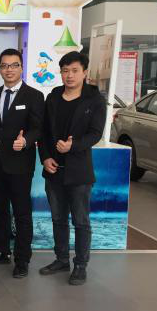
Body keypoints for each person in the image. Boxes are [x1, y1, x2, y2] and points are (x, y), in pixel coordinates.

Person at [38, 51, 106, 286]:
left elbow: (95, 133)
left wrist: (72, 146)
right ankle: (61, 259)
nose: (69, 75)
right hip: (54, 169)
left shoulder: (94, 99)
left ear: (85, 72)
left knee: (81, 221)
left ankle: (80, 265)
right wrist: (45, 158)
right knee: (58, 218)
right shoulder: (53, 97)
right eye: (65, 71)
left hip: (79, 171)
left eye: (75, 70)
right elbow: (43, 132)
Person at [0, 48, 45, 278]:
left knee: (21, 213)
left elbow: (38, 128)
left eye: (14, 65)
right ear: (0, 69)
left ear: (21, 67)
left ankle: (22, 259)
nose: (9, 69)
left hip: (19, 165)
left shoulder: (34, 96)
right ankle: (1, 251)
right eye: (5, 65)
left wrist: (26, 141)